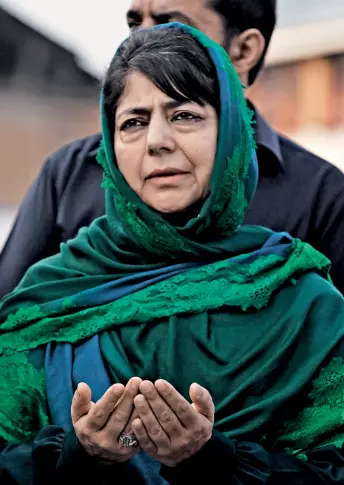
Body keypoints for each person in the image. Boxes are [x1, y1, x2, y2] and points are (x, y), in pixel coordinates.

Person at [2, 24, 344, 484]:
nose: (157, 140)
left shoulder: (304, 306)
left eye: (184, 115)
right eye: (134, 122)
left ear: (232, 136)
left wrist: (213, 460)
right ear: (111, 147)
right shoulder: (50, 295)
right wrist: (79, 456)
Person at [2, 0, 344, 300]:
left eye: (171, 23)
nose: (143, 41)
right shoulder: (70, 173)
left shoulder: (320, 196)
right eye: (135, 24)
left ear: (243, 51)